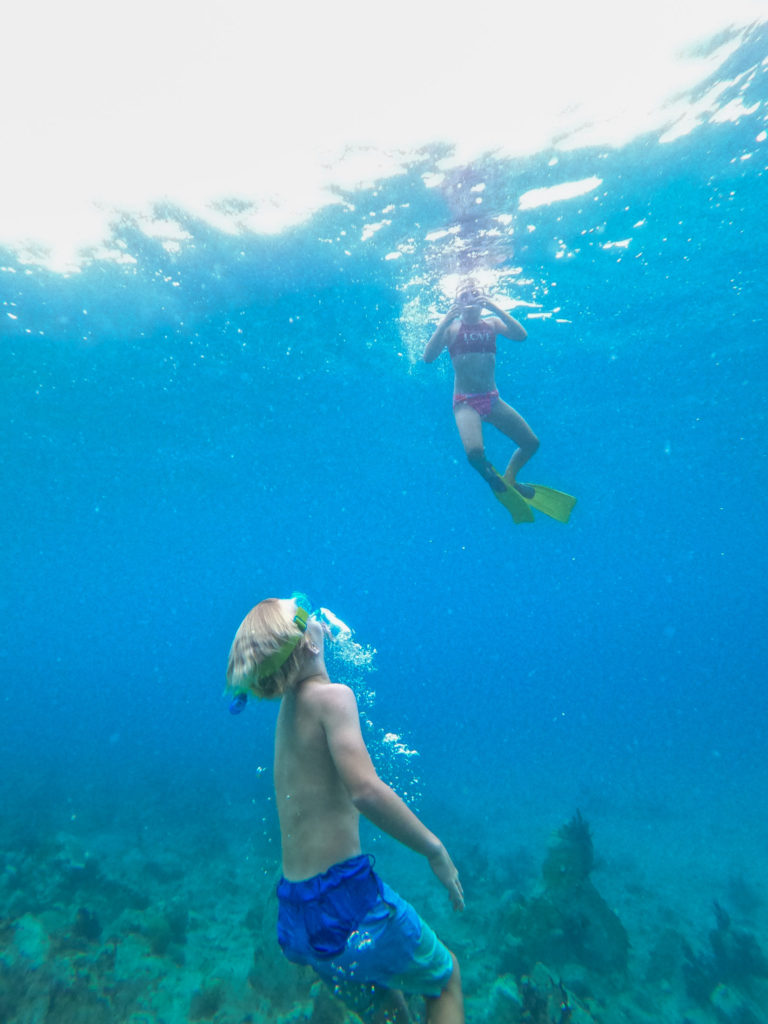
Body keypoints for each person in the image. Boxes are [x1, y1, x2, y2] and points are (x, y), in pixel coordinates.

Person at [226, 596, 465, 1024]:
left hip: (297, 915)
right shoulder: (333, 698)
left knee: (389, 1011)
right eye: (304, 611)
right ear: (309, 645)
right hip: (345, 903)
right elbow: (366, 791)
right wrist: (434, 850)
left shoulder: (288, 711)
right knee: (445, 979)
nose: (318, 616)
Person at [423, 277, 539, 502]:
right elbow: (428, 358)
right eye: (463, 295)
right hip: (465, 402)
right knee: (474, 453)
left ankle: (510, 478)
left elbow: (521, 336)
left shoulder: (492, 323)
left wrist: (495, 307)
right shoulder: (451, 329)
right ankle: (489, 476)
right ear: (456, 301)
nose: (469, 299)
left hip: (493, 400)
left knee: (531, 444)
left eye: (475, 294)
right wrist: (445, 321)